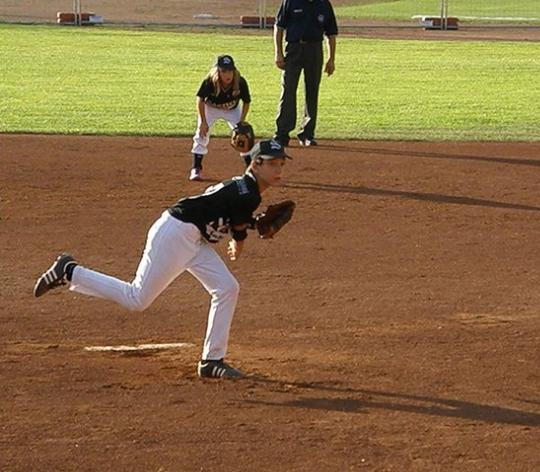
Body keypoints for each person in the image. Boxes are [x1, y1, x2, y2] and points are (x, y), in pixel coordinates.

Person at [33, 140, 291, 379]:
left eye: (281, 163)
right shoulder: (249, 193)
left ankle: (212, 361)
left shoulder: (244, 189)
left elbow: (229, 215)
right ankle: (70, 271)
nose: (278, 169)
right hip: (176, 234)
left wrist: (251, 223)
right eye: (272, 163)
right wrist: (241, 240)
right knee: (137, 299)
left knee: (227, 288)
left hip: (193, 239)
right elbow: (237, 230)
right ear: (256, 164)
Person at [272, 0, 338, 148]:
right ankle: (282, 134)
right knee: (288, 90)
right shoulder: (291, 1)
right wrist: (278, 53)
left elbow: (331, 33)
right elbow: (279, 26)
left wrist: (331, 58)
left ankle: (307, 134)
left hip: (314, 49)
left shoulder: (324, 4)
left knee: (312, 91)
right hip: (294, 48)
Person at [190, 54, 252, 181]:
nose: (228, 74)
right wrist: (203, 121)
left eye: (230, 70)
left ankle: (250, 170)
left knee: (244, 135)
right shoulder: (210, 81)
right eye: (224, 71)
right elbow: (200, 100)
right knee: (201, 134)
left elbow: (246, 102)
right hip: (210, 109)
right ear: (218, 71)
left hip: (232, 110)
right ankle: (196, 168)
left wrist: (241, 121)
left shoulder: (240, 81)